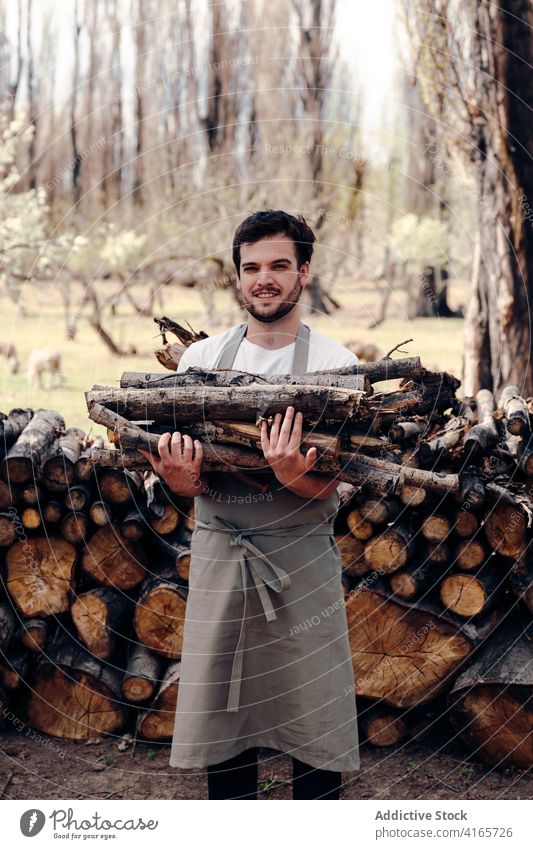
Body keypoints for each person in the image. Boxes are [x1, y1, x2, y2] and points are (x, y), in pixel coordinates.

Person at [140, 209, 361, 800]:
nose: (265, 279)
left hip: (302, 561)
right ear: (238, 277)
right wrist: (181, 483)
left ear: (304, 272)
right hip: (222, 557)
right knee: (224, 732)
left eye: (279, 266)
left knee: (315, 727)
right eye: (252, 267)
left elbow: (336, 490)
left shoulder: (337, 366)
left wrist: (293, 475)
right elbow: (180, 481)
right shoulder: (200, 363)